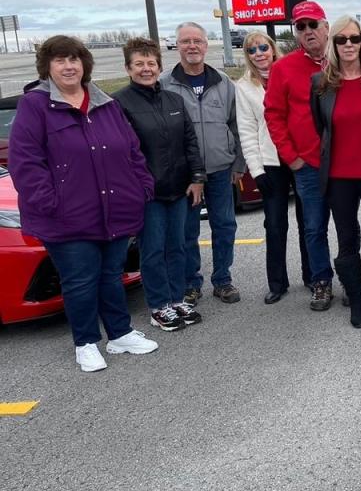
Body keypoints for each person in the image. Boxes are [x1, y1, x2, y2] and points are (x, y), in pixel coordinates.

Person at [8, 35, 158, 372]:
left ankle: (120, 334)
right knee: (79, 280)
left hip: (115, 208)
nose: (68, 66)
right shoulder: (35, 105)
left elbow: (131, 150)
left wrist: (142, 187)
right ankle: (86, 342)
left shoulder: (105, 103)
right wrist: (51, 202)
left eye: (74, 59)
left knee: (111, 275)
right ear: (47, 67)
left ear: (84, 64)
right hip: (65, 215)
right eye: (60, 60)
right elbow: (25, 163)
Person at [115, 38, 205, 331]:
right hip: (147, 193)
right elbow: (122, 153)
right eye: (139, 64)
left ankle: (177, 298)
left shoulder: (174, 100)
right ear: (128, 68)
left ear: (159, 66)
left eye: (151, 63)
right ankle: (159, 306)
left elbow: (190, 141)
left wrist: (197, 178)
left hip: (179, 189)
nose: (146, 69)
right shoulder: (119, 104)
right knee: (153, 251)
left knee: (177, 247)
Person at [311, 16, 361, 328]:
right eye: (341, 39)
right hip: (339, 177)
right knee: (347, 240)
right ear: (332, 44)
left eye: (354, 39)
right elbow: (320, 126)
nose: (348, 44)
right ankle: (356, 299)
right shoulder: (320, 84)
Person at [160, 22, 246, 306]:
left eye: (197, 41)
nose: (192, 46)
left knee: (225, 226)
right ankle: (190, 283)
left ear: (206, 45)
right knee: (187, 230)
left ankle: (222, 280)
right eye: (186, 41)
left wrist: (238, 163)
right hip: (184, 173)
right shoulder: (164, 84)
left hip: (221, 168)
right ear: (177, 46)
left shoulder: (223, 82)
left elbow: (237, 124)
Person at [264, 0, 337, 311]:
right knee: (314, 227)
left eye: (313, 24)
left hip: (344, 162)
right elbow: (273, 115)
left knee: (348, 226)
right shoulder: (283, 68)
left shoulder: (343, 60)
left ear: (326, 27)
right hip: (308, 165)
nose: (308, 31)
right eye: (301, 26)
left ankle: (351, 279)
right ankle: (321, 281)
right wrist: (291, 157)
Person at [235, 31, 311, 304]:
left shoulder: (290, 72)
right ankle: (277, 282)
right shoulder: (244, 87)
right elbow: (247, 130)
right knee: (276, 224)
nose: (259, 54)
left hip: (300, 157)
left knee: (308, 221)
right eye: (252, 50)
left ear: (272, 48)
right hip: (271, 162)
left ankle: (313, 275)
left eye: (263, 48)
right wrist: (256, 171)